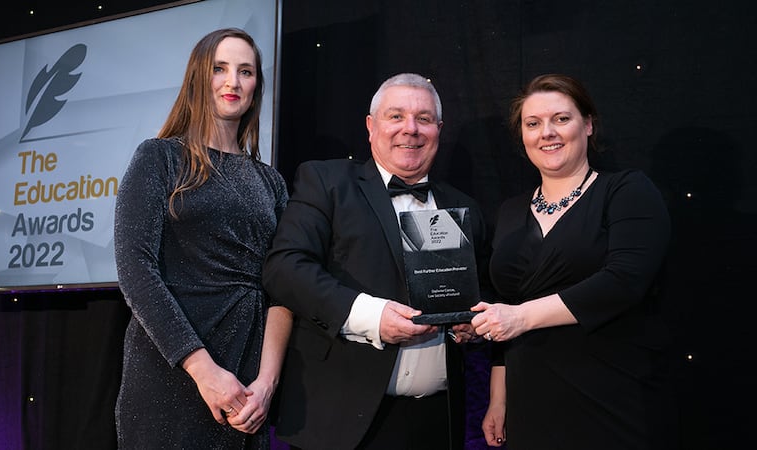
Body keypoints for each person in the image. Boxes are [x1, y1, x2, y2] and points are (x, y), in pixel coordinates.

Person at [261, 72, 491, 450]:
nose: (410, 129)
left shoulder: (464, 207)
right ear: (371, 126)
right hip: (340, 422)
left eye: (424, 118)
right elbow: (285, 268)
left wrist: (472, 324)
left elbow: (484, 290)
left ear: (439, 129)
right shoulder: (326, 181)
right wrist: (371, 317)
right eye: (396, 116)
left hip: (437, 423)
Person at [470, 73, 680, 449]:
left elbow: (624, 281)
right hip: (528, 402)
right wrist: (498, 400)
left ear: (587, 125)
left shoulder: (626, 190)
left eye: (561, 119)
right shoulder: (510, 212)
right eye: (532, 124)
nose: (546, 132)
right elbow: (507, 307)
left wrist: (521, 318)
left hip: (611, 393)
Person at [113, 28, 292, 449]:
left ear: (256, 86)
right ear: (198, 76)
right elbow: (135, 270)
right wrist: (204, 371)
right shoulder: (159, 157)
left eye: (245, 72)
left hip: (249, 384)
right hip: (172, 372)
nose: (233, 82)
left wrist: (266, 383)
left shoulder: (271, 182)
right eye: (220, 68)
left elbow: (284, 289)